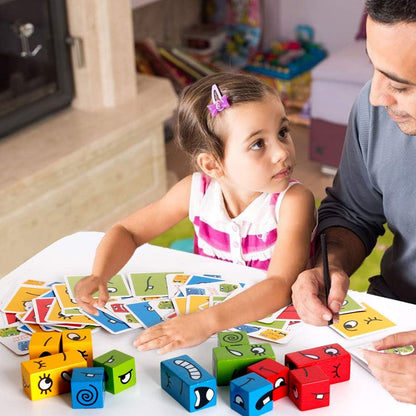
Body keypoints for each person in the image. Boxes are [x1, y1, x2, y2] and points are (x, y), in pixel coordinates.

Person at [74, 72, 316, 354]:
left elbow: (280, 286)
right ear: (212, 165)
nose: (281, 153)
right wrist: (100, 275)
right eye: (258, 144)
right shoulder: (195, 191)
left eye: (283, 133)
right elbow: (128, 231)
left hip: (277, 328)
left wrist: (203, 323)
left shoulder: (293, 201)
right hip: (212, 319)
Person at [291, 0, 416, 404]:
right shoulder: (375, 107)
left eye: (399, 85)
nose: (376, 96)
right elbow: (352, 212)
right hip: (389, 318)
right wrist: (330, 265)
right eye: (373, 67)